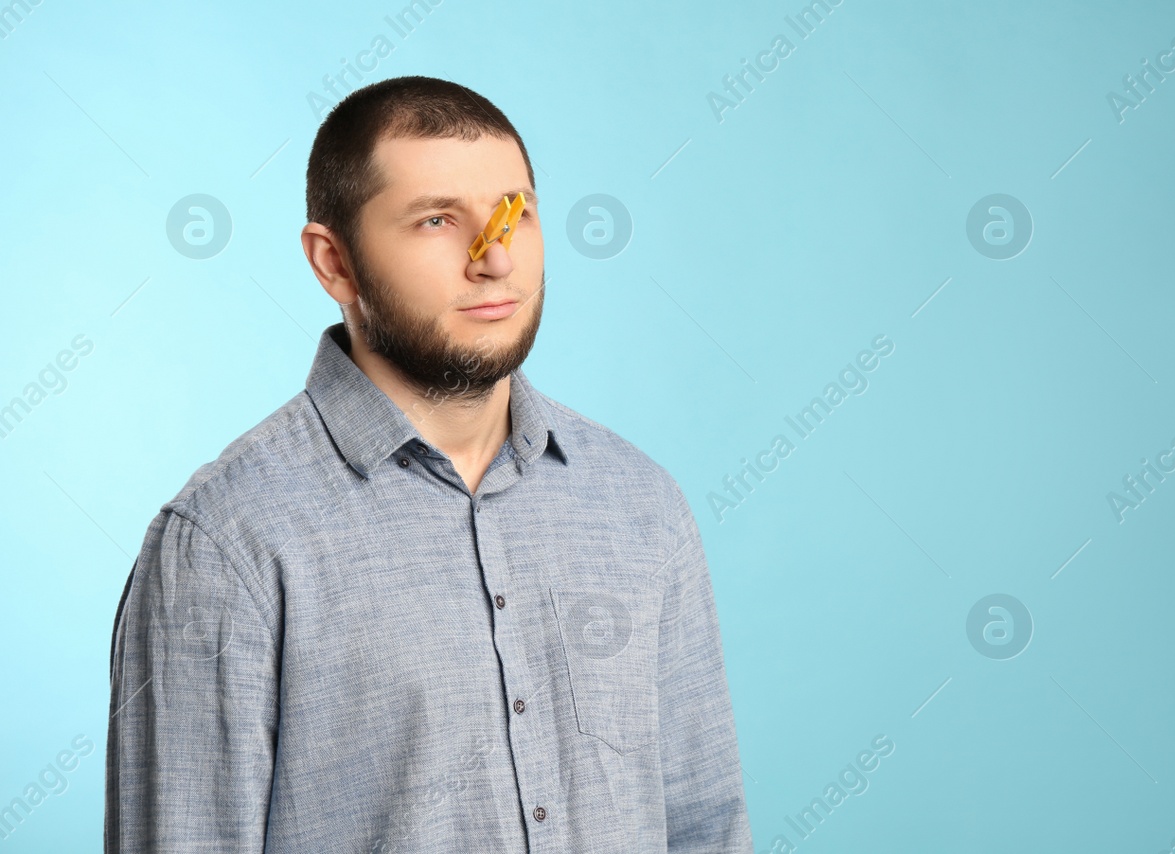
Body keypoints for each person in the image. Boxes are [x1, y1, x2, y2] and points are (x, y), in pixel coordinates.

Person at [105, 75, 753, 853]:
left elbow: (706, 827)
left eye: (515, 211)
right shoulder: (226, 543)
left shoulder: (641, 504)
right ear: (334, 262)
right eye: (437, 219)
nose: (495, 257)